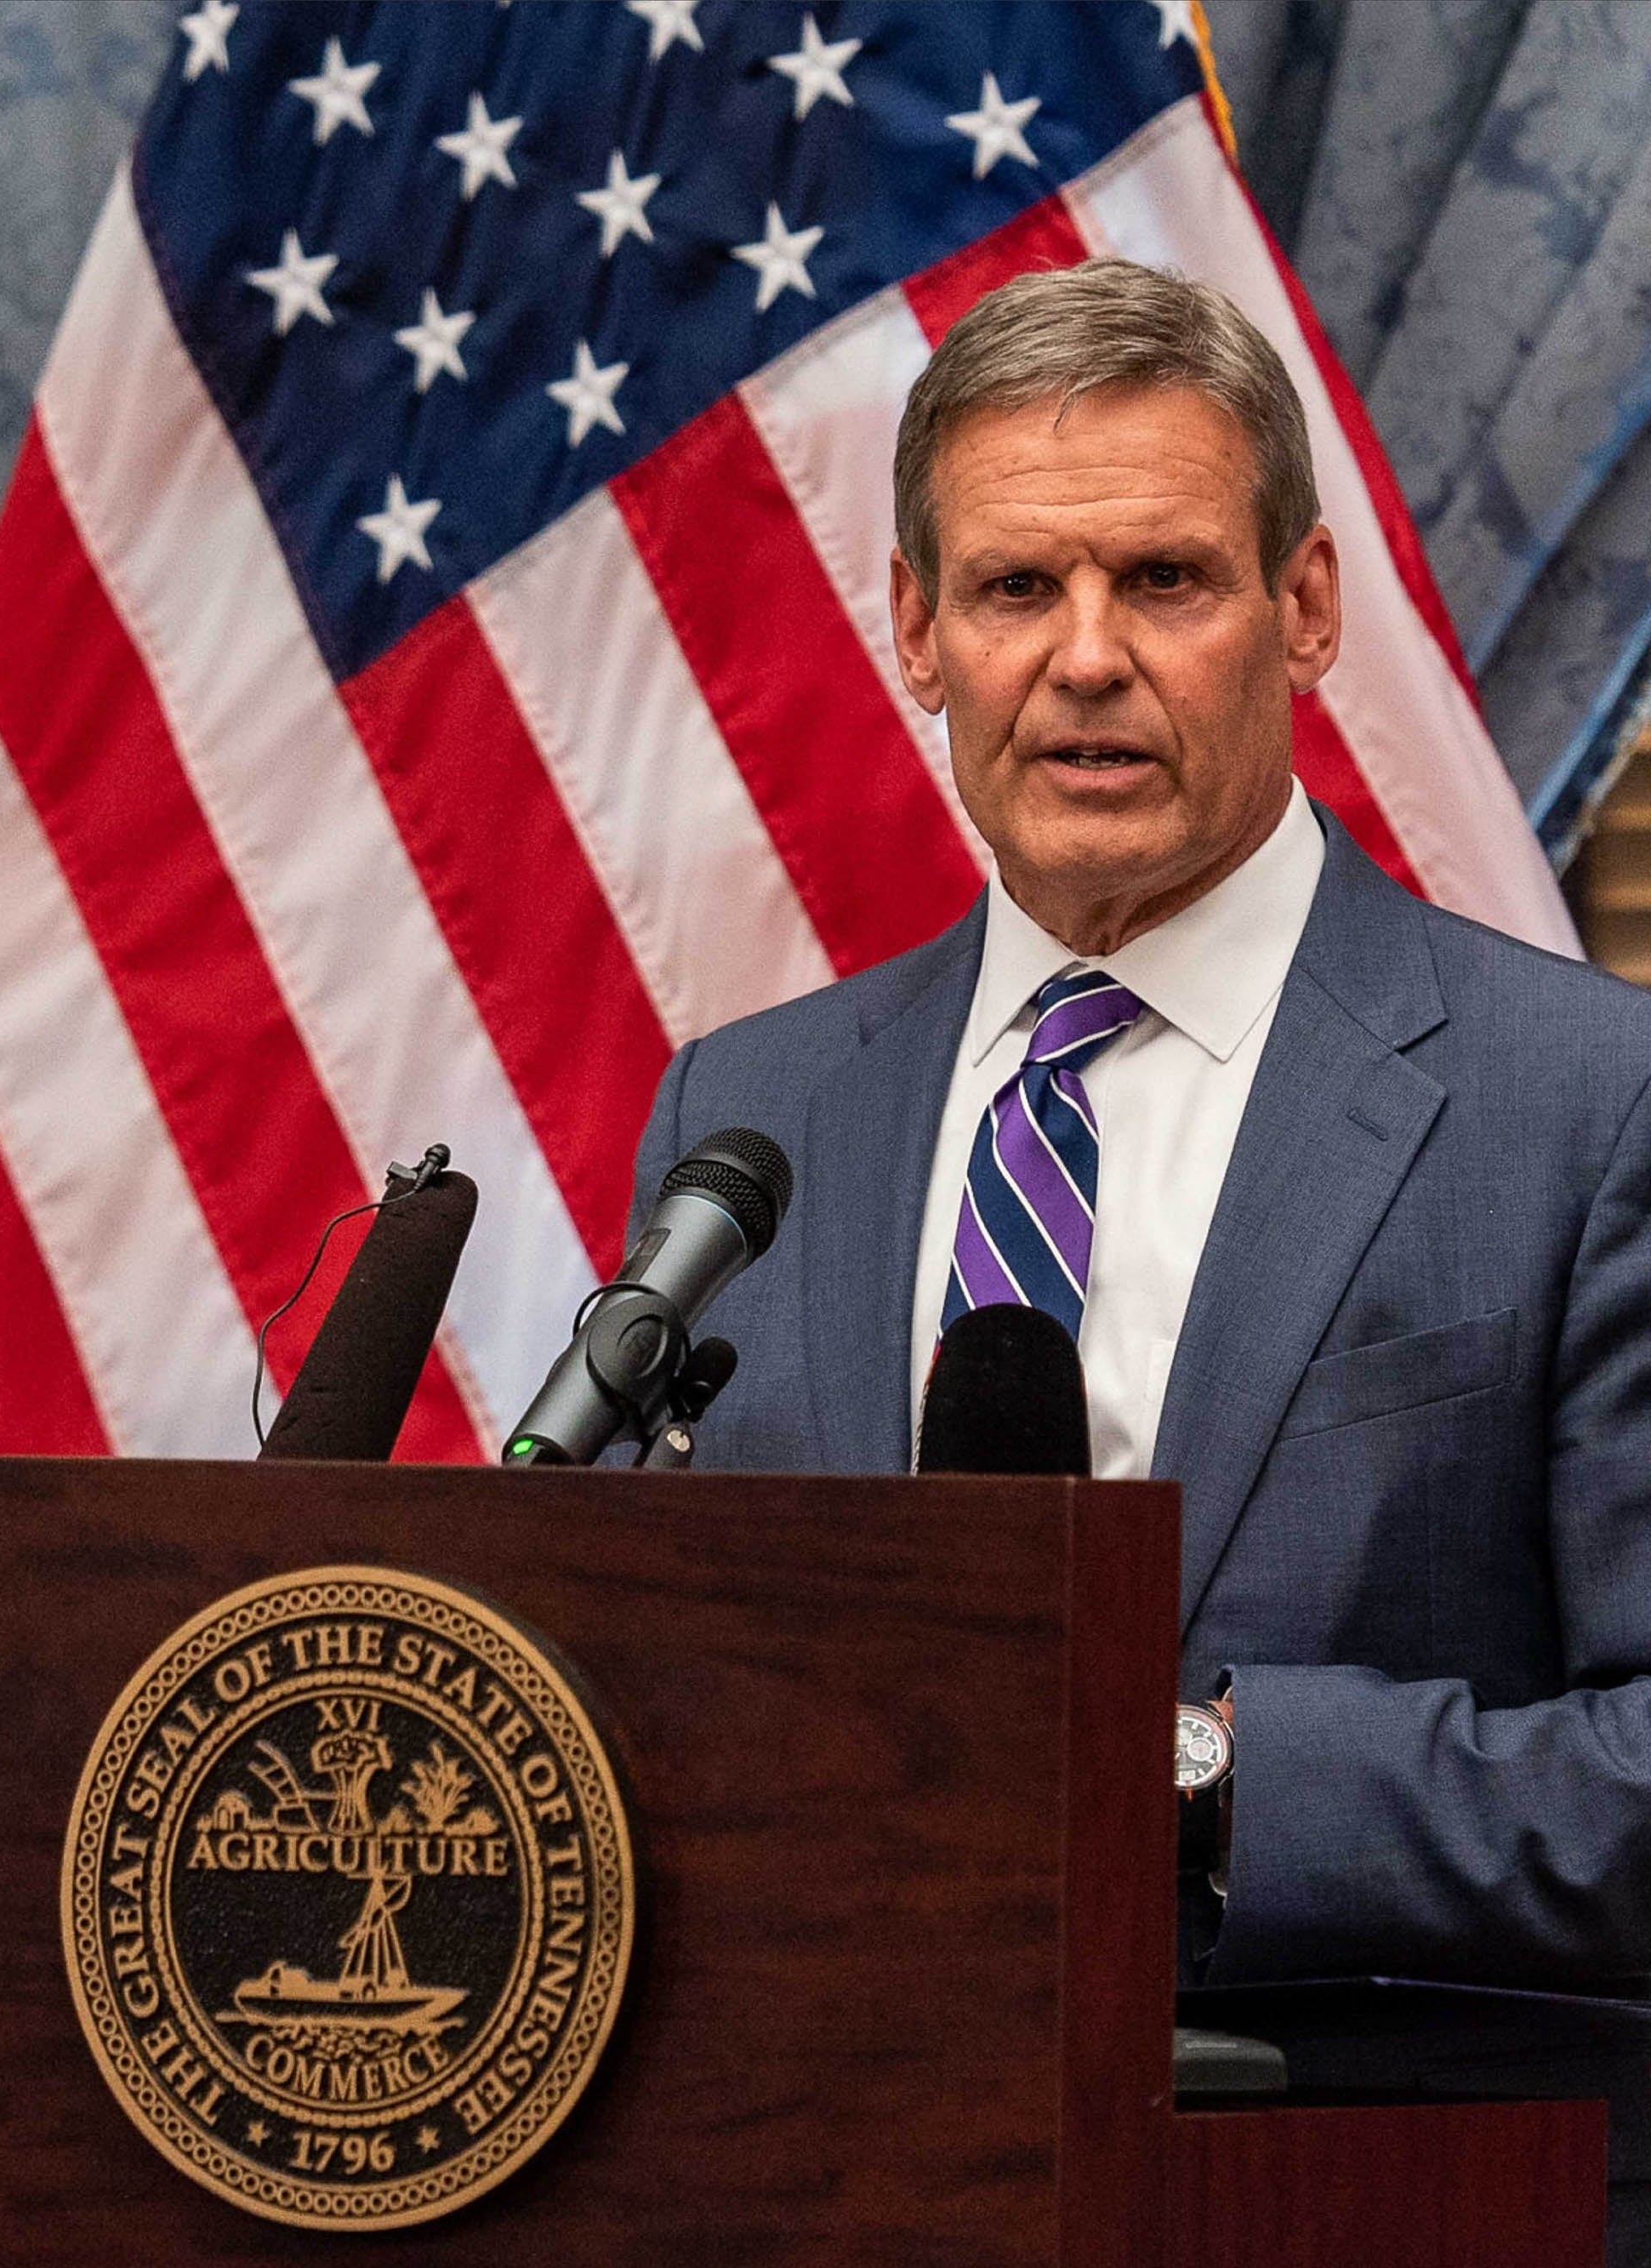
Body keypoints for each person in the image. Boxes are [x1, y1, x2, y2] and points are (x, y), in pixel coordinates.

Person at [635, 259, 1651, 2000]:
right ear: (914, 632)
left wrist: (1190, 1768)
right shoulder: (746, 1114)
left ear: (1304, 605)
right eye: (1016, 585)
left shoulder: (1582, 1099)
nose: (1084, 657)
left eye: (1163, 579)